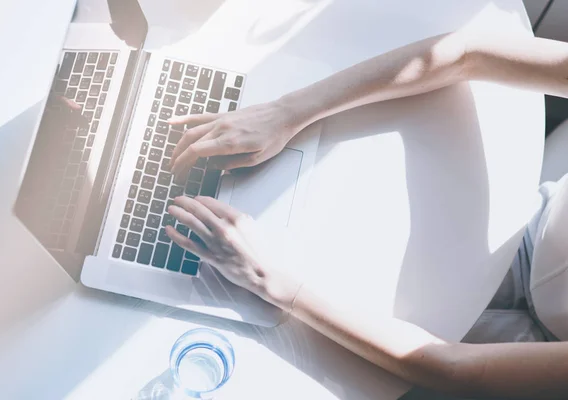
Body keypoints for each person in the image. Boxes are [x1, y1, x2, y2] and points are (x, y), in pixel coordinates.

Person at [159, 30, 568, 399]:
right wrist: (285, 113)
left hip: (534, 342)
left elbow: (459, 368)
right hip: (540, 222)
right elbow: (467, 53)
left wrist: (270, 280)